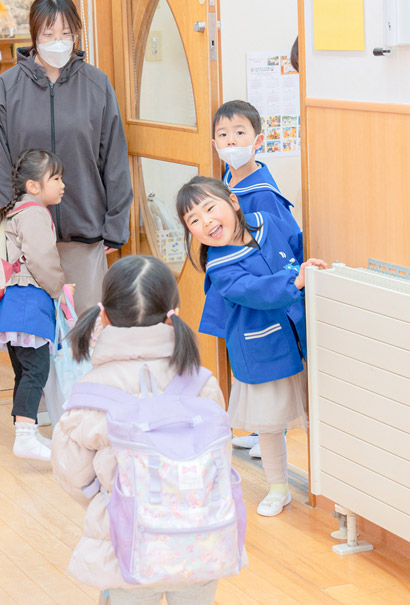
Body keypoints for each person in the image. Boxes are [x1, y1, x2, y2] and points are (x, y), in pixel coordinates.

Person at [51, 255, 225, 604]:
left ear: (103, 315)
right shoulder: (202, 383)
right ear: (173, 312)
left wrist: (109, 499)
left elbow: (71, 475)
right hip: (199, 544)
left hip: (125, 550)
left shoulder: (91, 393)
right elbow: (219, 461)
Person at [177, 176, 326, 517]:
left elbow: (298, 244)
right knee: (272, 424)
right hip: (264, 348)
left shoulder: (267, 222)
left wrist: (310, 266)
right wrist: (295, 280)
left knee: (321, 406)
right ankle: (278, 486)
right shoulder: (219, 265)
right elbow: (254, 291)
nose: (206, 222)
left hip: (302, 329)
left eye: (210, 208)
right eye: (194, 221)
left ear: (233, 201)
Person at [0, 0, 133, 315]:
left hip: (84, 232)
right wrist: (9, 214)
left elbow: (113, 158)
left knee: (84, 333)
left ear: (76, 34)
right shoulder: (7, 87)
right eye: (48, 33)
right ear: (34, 36)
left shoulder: (96, 84)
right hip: (25, 237)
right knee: (34, 340)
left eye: (66, 32)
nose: (57, 40)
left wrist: (116, 225)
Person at [0, 148, 73, 461]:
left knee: (24, 371)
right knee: (37, 370)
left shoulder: (15, 211)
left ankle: (25, 433)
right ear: (33, 186)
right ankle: (26, 438)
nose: (62, 184)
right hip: (29, 298)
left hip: (14, 304)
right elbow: (42, 258)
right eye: (55, 178)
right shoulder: (33, 213)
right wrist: (59, 290)